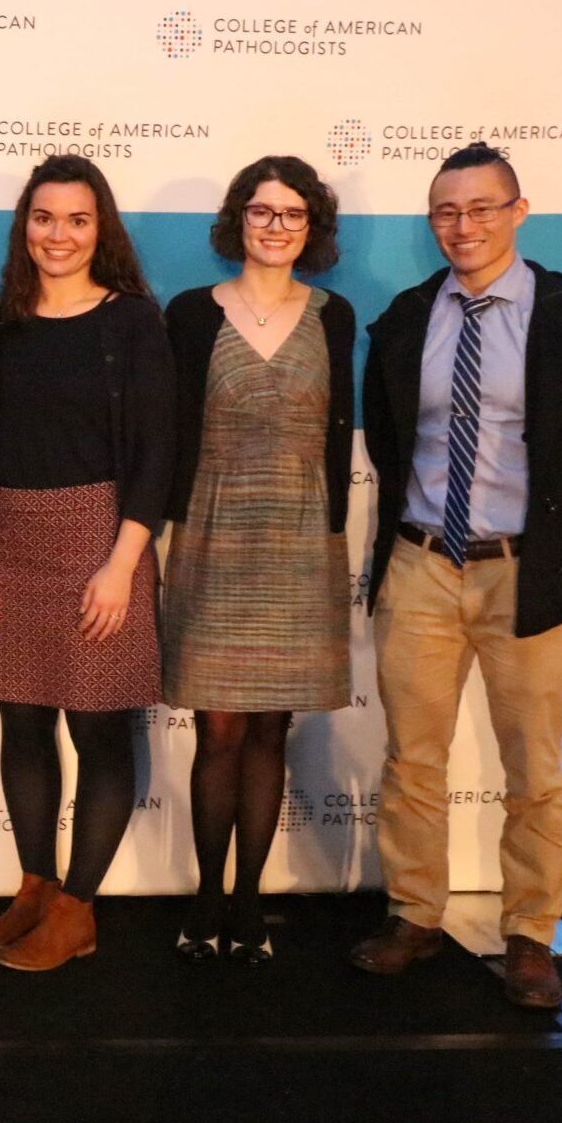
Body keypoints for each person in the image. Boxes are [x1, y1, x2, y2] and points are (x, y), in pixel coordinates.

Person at [350, 142, 562, 1009]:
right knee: (413, 761)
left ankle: (531, 935)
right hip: (421, 567)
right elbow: (389, 441)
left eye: (481, 208)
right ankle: (414, 916)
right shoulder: (403, 320)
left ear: (518, 211)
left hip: (527, 574)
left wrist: (542, 532)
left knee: (536, 770)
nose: (462, 226)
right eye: (446, 211)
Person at [0, 155, 174, 971]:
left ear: (101, 229)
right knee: (20, 716)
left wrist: (122, 563)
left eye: (77, 220)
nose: (59, 235)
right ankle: (35, 887)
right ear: (25, 227)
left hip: (98, 536)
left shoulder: (131, 322)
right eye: (43, 218)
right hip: (6, 534)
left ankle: (79, 909)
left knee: (96, 726)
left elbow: (157, 450)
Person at [159, 155, 358, 965]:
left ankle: (248, 904)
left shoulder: (335, 316)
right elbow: (172, 433)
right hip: (212, 536)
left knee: (273, 729)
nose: (275, 227)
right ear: (238, 219)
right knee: (219, 730)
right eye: (262, 211)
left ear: (312, 228)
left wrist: (339, 539)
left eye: (292, 214)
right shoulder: (188, 313)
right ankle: (206, 896)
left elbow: (338, 438)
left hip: (302, 544)